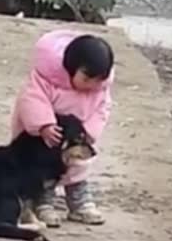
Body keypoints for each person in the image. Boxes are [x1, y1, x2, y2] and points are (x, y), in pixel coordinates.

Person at [10, 29, 115, 227]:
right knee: (45, 169)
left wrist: (89, 132)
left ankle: (79, 202)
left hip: (75, 138)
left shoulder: (99, 89)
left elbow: (103, 109)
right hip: (46, 137)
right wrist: (44, 124)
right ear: (70, 68)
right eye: (86, 79)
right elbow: (32, 98)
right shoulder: (47, 78)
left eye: (97, 80)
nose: (92, 85)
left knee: (79, 165)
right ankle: (44, 202)